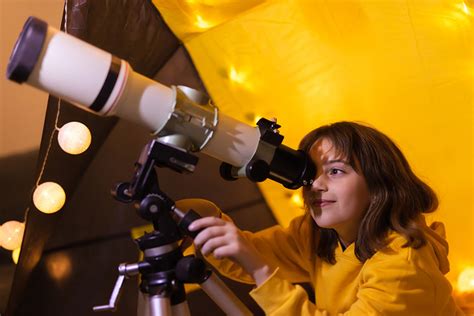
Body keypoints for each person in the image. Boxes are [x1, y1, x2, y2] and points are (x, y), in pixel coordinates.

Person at [177, 121, 463, 315]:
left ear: (379, 186)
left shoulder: (404, 262)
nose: (316, 184)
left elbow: (254, 261)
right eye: (310, 174)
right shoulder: (314, 234)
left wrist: (262, 272)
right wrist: (203, 214)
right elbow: (245, 254)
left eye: (336, 171)